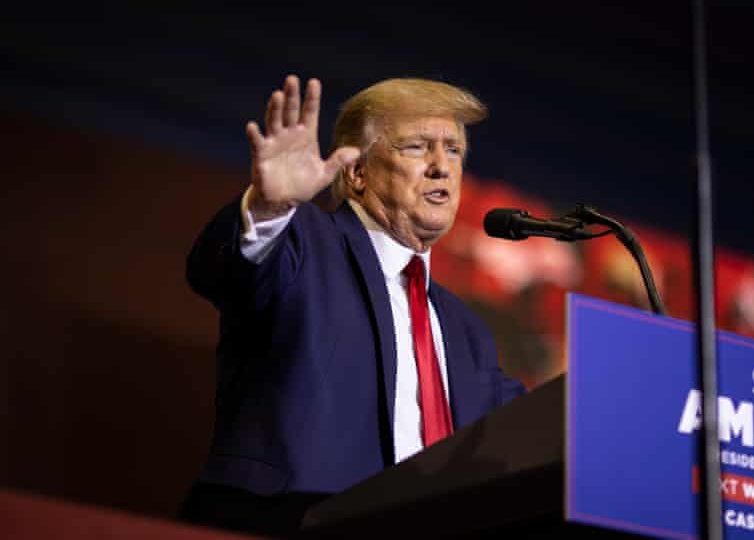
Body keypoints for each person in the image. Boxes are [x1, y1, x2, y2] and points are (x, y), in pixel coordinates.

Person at [180, 75, 526, 536]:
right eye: (418, 147)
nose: (442, 166)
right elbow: (220, 270)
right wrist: (267, 208)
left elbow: (533, 428)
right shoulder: (303, 240)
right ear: (357, 173)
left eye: (454, 150)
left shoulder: (467, 331)